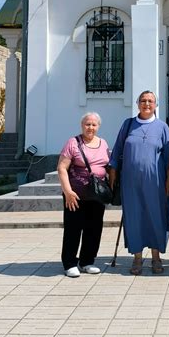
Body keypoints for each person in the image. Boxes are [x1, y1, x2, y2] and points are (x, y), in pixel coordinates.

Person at [108, 91, 169, 275]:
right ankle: (137, 258)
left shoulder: (162, 127)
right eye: (143, 101)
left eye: (150, 101)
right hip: (130, 182)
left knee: (156, 216)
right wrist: (112, 172)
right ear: (138, 104)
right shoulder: (128, 125)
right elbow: (117, 150)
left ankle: (156, 257)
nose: (146, 104)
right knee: (134, 217)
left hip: (156, 182)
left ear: (156, 105)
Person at [58, 112, 110, 277]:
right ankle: (70, 263)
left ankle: (87, 261)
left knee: (94, 229)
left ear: (98, 127)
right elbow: (61, 168)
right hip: (75, 194)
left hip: (96, 195)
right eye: (87, 124)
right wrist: (67, 191)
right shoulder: (73, 143)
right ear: (82, 125)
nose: (90, 127)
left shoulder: (103, 143)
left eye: (94, 125)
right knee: (73, 229)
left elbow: (108, 167)